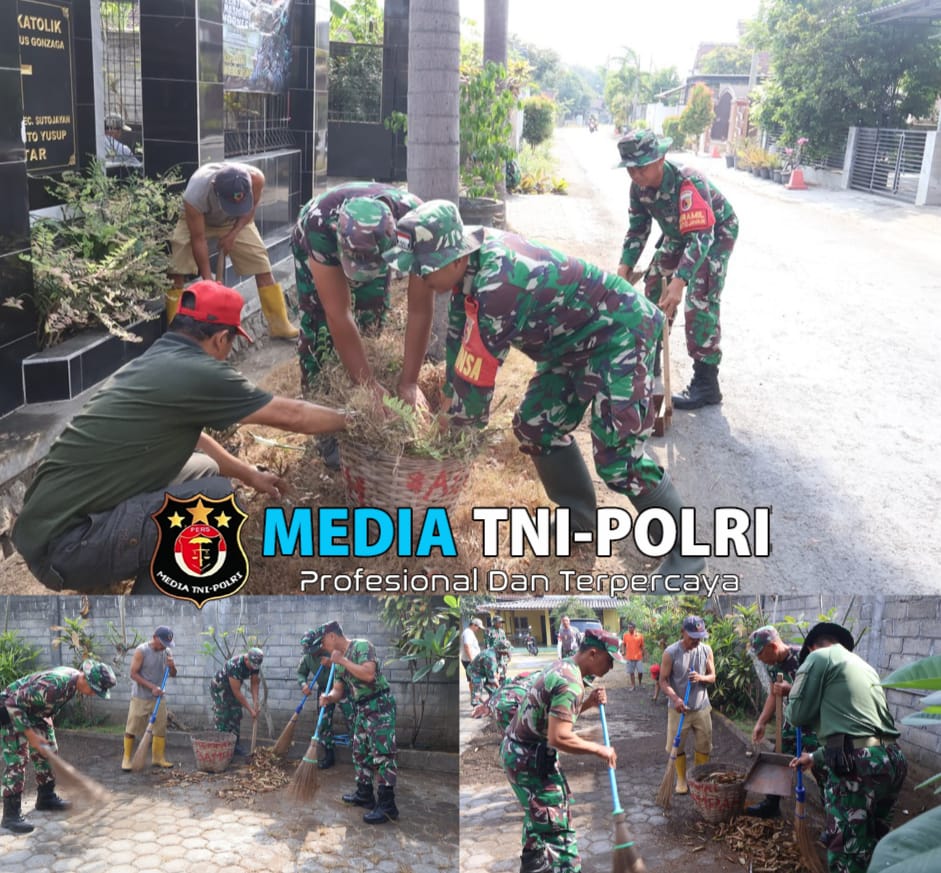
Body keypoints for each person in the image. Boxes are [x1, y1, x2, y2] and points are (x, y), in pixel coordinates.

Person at [385, 199, 705, 579]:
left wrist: (437, 446)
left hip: (621, 331)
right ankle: (580, 519)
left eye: (424, 270)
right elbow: (460, 349)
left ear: (453, 257)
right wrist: (446, 403)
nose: (420, 280)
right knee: (536, 426)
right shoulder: (468, 271)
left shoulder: (497, 286)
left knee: (619, 460)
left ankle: (686, 555)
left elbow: (472, 403)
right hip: (572, 343)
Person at [11, 280, 346, 595]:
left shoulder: (158, 359)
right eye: (232, 342)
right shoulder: (199, 372)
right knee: (216, 503)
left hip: (49, 528)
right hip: (65, 547)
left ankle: (135, 571)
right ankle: (151, 613)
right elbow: (293, 415)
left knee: (204, 468)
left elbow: (196, 438)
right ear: (221, 339)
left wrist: (249, 474)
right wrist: (353, 419)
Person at [292, 183, 429, 467]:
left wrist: (409, 382)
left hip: (374, 242)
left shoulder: (417, 223)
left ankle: (366, 390)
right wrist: (367, 385)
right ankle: (325, 419)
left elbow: (420, 308)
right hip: (315, 242)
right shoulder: (320, 226)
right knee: (320, 330)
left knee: (371, 317)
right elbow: (338, 314)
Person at [614, 129, 739, 410]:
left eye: (641, 167)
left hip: (715, 233)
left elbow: (702, 237)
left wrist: (680, 281)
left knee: (700, 296)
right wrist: (624, 269)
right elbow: (637, 230)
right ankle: (652, 353)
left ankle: (706, 383)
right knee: (655, 283)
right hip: (679, 234)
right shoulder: (638, 188)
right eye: (630, 168)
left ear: (660, 159)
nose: (635, 174)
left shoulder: (688, 182)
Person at [786, 622, 907, 873]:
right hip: (891, 759)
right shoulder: (864, 666)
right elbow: (862, 729)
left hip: (858, 770)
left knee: (848, 855)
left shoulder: (818, 657)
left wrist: (792, 694)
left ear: (811, 648)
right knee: (875, 842)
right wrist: (815, 756)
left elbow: (797, 715)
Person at [501, 627, 622, 873]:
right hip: (530, 762)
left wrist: (588, 703)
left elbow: (554, 715)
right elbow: (559, 737)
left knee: (538, 817)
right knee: (559, 832)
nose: (611, 666)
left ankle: (533, 863)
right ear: (593, 653)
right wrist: (600, 750)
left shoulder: (562, 666)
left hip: (519, 754)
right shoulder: (570, 682)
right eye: (609, 659)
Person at [167, 161, 299, 339]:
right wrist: (209, 283)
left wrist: (233, 234)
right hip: (198, 221)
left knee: (262, 264)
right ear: (215, 187)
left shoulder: (256, 179)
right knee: (176, 268)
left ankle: (279, 325)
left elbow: (249, 211)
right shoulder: (196, 193)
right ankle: (175, 334)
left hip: (235, 222)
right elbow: (198, 239)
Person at [0, 660, 116, 834]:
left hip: (33, 713)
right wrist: (31, 735)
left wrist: (46, 724)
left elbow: (44, 704)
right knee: (17, 760)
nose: (93, 694)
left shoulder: (73, 683)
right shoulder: (53, 685)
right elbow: (12, 703)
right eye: (93, 690)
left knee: (50, 750)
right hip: (10, 711)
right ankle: (10, 816)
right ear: (85, 679)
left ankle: (46, 798)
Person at [312, 620, 399, 825]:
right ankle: (365, 794)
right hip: (361, 707)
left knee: (383, 754)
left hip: (379, 704)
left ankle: (388, 806)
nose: (323, 647)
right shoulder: (337, 661)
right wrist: (329, 697)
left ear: (332, 636)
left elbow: (368, 675)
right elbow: (338, 690)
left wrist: (342, 661)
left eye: (323, 642)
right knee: (360, 752)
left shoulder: (362, 646)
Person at [745, 624, 818, 818]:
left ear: (773, 647)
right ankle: (771, 804)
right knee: (779, 756)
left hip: (815, 724)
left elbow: (819, 691)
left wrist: (791, 690)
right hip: (792, 721)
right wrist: (761, 722)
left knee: (820, 765)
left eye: (760, 654)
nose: (759, 659)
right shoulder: (772, 665)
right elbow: (773, 694)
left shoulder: (806, 658)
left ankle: (833, 814)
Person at [659, 615, 716, 794]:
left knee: (704, 745)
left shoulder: (706, 650)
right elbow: (663, 680)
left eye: (699, 637)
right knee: (677, 746)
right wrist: (675, 698)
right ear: (682, 632)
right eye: (692, 637)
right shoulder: (671, 653)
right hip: (679, 709)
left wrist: (701, 678)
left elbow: (712, 676)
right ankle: (682, 780)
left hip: (701, 707)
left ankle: (698, 779)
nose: (696, 641)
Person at [122, 625, 177, 771]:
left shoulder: (167, 652)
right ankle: (126, 759)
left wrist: (172, 666)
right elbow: (133, 674)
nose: (164, 647)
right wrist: (152, 687)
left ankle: (158, 758)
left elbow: (173, 674)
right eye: (162, 643)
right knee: (132, 727)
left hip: (159, 698)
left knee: (160, 728)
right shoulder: (142, 651)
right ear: (154, 638)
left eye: (167, 644)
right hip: (140, 697)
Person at [296, 629, 353, 770]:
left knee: (352, 719)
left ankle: (360, 754)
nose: (313, 653)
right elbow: (301, 673)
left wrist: (332, 663)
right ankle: (329, 755)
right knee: (323, 723)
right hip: (324, 690)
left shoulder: (332, 649)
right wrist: (303, 684)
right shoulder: (307, 657)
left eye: (314, 650)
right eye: (309, 651)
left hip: (342, 688)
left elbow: (349, 665)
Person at [209, 648, 263, 755]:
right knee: (223, 715)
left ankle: (235, 745)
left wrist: (255, 702)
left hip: (232, 688)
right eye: (252, 665)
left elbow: (254, 683)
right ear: (247, 659)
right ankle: (220, 746)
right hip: (220, 688)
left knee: (236, 713)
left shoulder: (255, 663)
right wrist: (250, 710)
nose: (253, 668)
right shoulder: (234, 665)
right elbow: (237, 692)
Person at [468, 640, 512, 707]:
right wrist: (500, 689)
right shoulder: (490, 657)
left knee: (493, 689)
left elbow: (500, 666)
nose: (508, 653)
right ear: (502, 650)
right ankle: (476, 705)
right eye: (506, 651)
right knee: (478, 685)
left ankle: (492, 701)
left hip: (485, 670)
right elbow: (492, 679)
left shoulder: (498, 653)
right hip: (475, 671)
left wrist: (499, 675)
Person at [462, 618, 484, 696]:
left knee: (474, 680)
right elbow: (466, 646)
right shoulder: (468, 633)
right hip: (469, 661)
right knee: (473, 680)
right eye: (478, 627)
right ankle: (474, 698)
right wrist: (472, 661)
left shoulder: (469, 632)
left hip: (471, 660)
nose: (478, 630)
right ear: (474, 625)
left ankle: (475, 696)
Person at [621, 621, 645, 691]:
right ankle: (633, 686)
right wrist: (623, 651)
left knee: (640, 671)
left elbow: (642, 646)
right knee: (631, 672)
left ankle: (640, 683)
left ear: (634, 628)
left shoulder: (640, 635)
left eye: (630, 627)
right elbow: (624, 644)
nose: (629, 629)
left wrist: (644, 654)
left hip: (638, 657)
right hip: (629, 657)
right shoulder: (625, 635)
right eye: (628, 627)